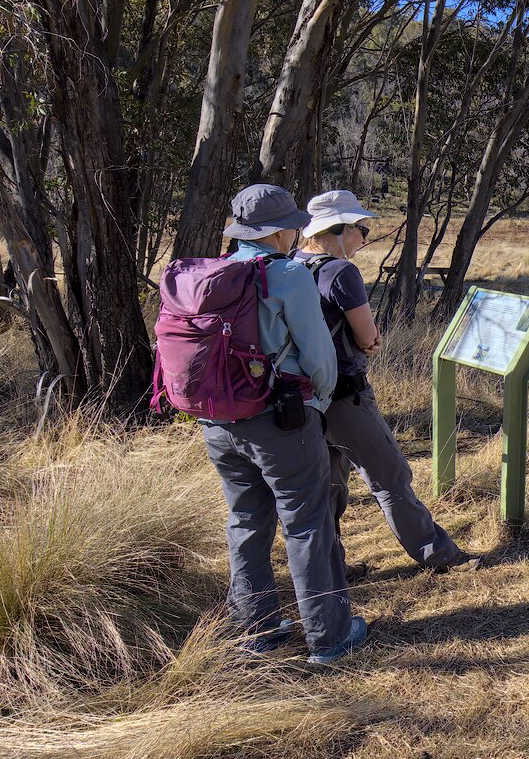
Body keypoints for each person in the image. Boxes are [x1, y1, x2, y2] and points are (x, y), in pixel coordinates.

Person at [199, 184, 368, 666]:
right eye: (293, 224)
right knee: (307, 523)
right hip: (282, 419)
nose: (298, 231)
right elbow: (319, 357)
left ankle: (258, 628)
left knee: (247, 521)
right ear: (278, 232)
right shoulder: (288, 275)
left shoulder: (215, 272)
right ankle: (330, 637)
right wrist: (321, 399)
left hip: (218, 421)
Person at [296, 189, 476, 575]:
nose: (364, 238)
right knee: (390, 476)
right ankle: (438, 554)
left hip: (303, 397)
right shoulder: (340, 271)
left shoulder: (291, 265)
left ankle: (331, 567)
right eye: (361, 229)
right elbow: (367, 337)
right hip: (345, 395)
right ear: (338, 230)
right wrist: (370, 340)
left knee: (327, 484)